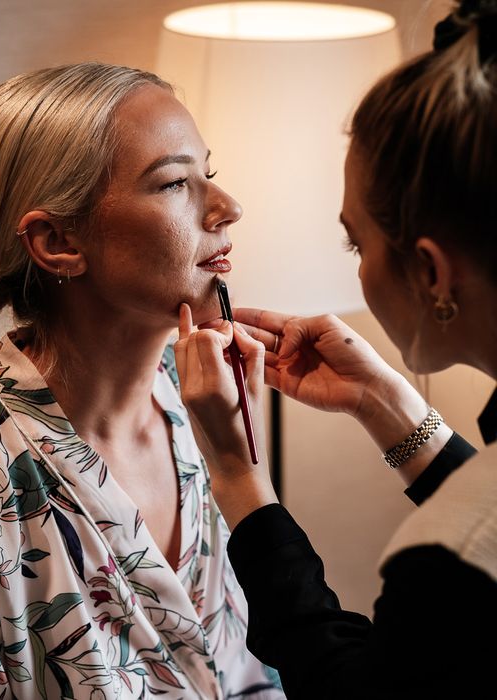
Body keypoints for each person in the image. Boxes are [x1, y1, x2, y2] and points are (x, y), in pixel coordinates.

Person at [0, 62, 286, 699]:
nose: (227, 208)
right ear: (58, 240)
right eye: (175, 183)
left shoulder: (207, 405)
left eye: (210, 174)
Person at [174, 1, 497, 698]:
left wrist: (236, 474)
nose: (225, 207)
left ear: (433, 272)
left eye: (356, 241)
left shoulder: (451, 557)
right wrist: (385, 401)